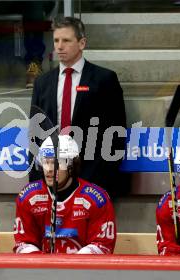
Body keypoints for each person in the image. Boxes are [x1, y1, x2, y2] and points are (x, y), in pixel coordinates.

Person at [30, 17, 127, 199]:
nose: (59, 46)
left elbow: (116, 134)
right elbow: (35, 136)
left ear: (82, 43)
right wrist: (38, 180)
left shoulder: (104, 80)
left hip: (93, 180)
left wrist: (97, 179)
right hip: (51, 180)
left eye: (66, 40)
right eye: (56, 40)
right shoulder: (42, 83)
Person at [14, 135, 116, 254]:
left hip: (84, 271)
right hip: (41, 271)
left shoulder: (97, 199)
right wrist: (42, 267)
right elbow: (23, 244)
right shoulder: (28, 196)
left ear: (72, 166)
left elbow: (102, 245)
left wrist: (71, 268)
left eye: (57, 163)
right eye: (45, 162)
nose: (49, 169)